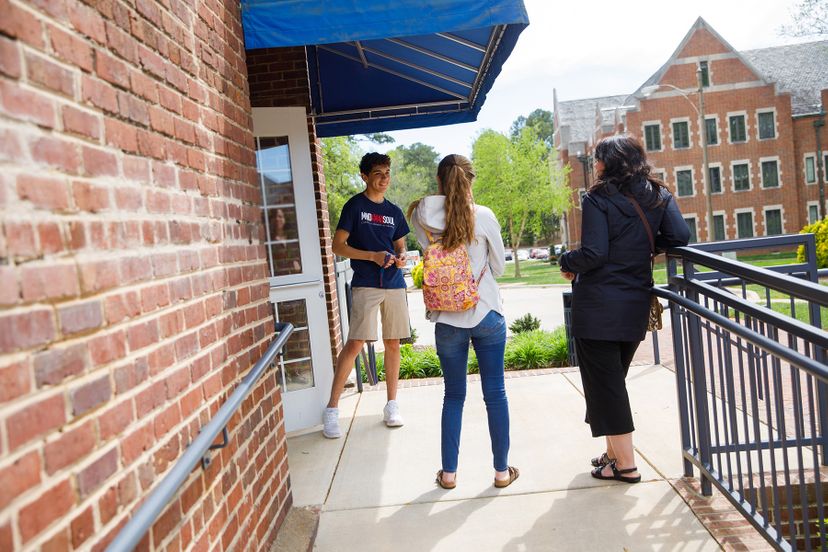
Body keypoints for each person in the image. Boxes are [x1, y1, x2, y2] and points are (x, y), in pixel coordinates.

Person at [558, 135, 689, 483]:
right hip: (634, 304)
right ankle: (613, 457)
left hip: (598, 308)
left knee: (607, 387)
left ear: (607, 163)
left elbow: (594, 254)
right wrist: (641, 248)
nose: (594, 165)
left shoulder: (597, 198)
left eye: (597, 159)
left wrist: (565, 259)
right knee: (611, 384)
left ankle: (626, 465)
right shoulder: (660, 194)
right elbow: (679, 237)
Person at [409, 154, 518, 490]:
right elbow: (498, 268)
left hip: (446, 320)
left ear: (439, 181)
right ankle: (501, 472)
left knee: (453, 396)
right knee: (495, 394)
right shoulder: (483, 216)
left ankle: (449, 474)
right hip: (485, 312)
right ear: (470, 179)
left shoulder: (419, 216)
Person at [322, 152, 410, 439]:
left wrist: (400, 257)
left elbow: (401, 247)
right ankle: (332, 409)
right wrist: (370, 255)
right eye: (378, 173)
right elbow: (338, 246)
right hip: (366, 283)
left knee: (393, 343)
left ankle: (392, 406)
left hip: (394, 283)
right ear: (364, 175)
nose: (384, 179)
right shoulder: (354, 206)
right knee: (356, 342)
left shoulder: (394, 211)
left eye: (387, 173)